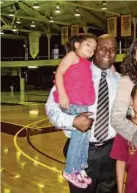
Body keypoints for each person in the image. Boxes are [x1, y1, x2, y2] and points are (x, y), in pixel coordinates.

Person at [45, 34, 119, 193]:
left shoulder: (120, 80)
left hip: (111, 152)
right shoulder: (76, 68)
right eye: (102, 48)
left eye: (112, 50)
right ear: (94, 50)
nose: (107, 53)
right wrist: (72, 121)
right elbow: (51, 106)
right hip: (83, 150)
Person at [53, 34, 97, 188]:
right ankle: (70, 169)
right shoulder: (72, 55)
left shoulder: (87, 64)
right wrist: (63, 94)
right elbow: (59, 73)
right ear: (77, 44)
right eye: (88, 45)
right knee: (78, 138)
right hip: (72, 104)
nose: (91, 49)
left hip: (82, 105)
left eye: (93, 48)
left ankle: (79, 167)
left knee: (85, 137)